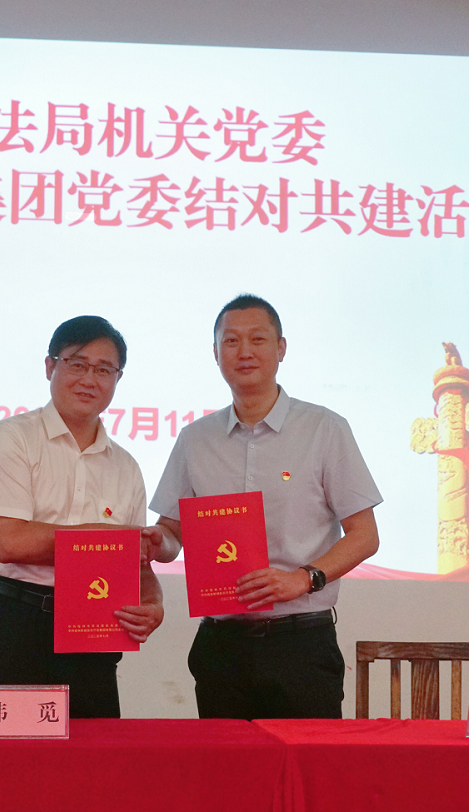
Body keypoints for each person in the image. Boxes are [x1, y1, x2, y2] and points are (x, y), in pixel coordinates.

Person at [146, 294, 381, 719]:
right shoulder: (195, 439)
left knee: (306, 761)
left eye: (257, 339)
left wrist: (303, 579)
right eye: (231, 341)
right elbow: (172, 533)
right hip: (221, 645)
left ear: (281, 348)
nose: (244, 351)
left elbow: (365, 536)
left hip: (301, 644)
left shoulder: (324, 429)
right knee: (226, 763)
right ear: (215, 353)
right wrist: (153, 542)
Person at [0, 315, 164, 719]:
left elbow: (134, 562)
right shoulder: (12, 437)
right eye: (77, 364)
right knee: (5, 754)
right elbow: (10, 542)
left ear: (118, 379)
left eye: (104, 370)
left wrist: (153, 604)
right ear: (50, 366)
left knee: (93, 754)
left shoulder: (125, 467)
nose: (90, 379)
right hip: (14, 623)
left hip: (95, 627)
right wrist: (102, 535)